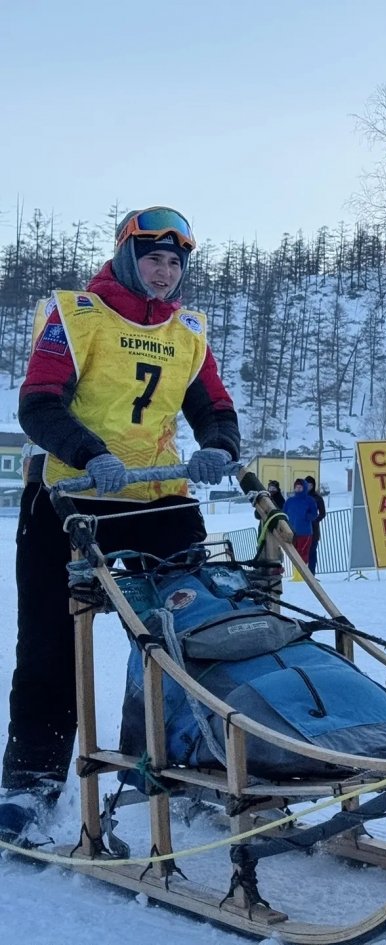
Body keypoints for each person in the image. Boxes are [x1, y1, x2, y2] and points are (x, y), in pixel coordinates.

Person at [0, 207, 240, 845]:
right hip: (72, 497)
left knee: (198, 632)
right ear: (127, 257)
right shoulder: (77, 315)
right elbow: (38, 403)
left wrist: (218, 442)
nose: (164, 273)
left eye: (174, 262)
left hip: (159, 499)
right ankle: (31, 782)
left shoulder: (188, 330)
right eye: (153, 259)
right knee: (52, 646)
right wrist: (89, 453)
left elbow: (213, 404)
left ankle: (191, 765)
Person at [283, 478, 318, 564]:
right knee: (294, 555)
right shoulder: (290, 501)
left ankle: (302, 575)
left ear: (304, 488)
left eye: (300, 487)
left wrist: (305, 516)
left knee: (302, 554)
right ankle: (296, 575)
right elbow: (283, 514)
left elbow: (314, 514)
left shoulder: (309, 500)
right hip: (292, 532)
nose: (298, 489)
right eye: (296, 487)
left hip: (305, 532)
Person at [304, 474, 327, 573]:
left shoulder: (317, 498)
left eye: (310, 484)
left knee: (312, 552)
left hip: (313, 530)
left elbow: (322, 513)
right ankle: (301, 574)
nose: (308, 486)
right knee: (302, 551)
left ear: (313, 485)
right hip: (301, 528)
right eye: (306, 484)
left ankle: (311, 573)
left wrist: (315, 520)